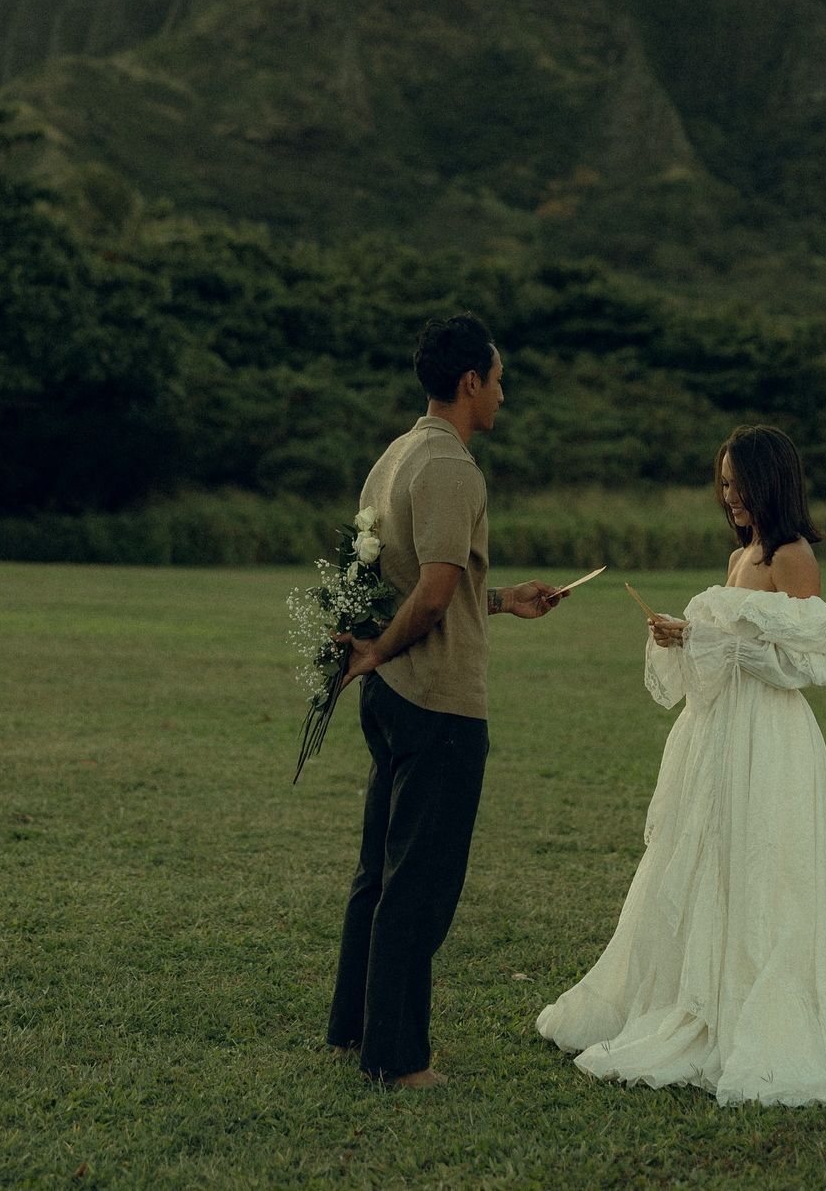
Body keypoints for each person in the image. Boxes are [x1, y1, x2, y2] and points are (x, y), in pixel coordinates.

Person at [537, 424, 826, 1110]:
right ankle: (701, 994)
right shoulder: (738, 556)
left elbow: (807, 662)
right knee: (712, 859)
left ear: (769, 484)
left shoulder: (791, 556)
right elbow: (723, 655)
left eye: (739, 485)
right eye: (722, 485)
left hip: (772, 736)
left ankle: (763, 1000)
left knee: (768, 862)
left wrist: (719, 639)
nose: (730, 498)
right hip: (720, 733)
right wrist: (684, 637)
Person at [327, 312, 565, 1088]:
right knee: (419, 887)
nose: (503, 392)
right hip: (437, 701)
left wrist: (497, 600)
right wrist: (378, 649)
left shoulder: (396, 455)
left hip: (393, 697)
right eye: (498, 379)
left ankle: (353, 1029)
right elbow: (428, 597)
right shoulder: (453, 467)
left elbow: (421, 583)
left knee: (378, 871)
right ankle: (397, 1061)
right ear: (470, 382)